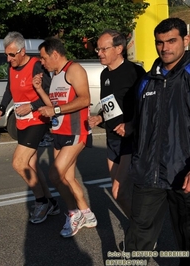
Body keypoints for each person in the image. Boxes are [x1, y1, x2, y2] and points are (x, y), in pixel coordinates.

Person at [125, 18, 190, 265]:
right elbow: (142, 122)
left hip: (183, 174)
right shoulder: (146, 80)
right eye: (160, 43)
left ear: (186, 40)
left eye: (171, 41)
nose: (165, 48)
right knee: (135, 243)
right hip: (148, 175)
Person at [0, 31, 59, 224]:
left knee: (18, 163)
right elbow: (9, 89)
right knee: (31, 165)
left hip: (38, 120)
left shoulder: (36, 65)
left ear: (22, 51)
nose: (8, 58)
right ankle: (51, 202)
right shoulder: (11, 66)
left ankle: (41, 203)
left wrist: (31, 106)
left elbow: (48, 94)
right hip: (22, 121)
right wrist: (1, 108)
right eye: (6, 54)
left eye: (12, 55)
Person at [33, 37, 97, 237]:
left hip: (76, 131)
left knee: (55, 174)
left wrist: (56, 109)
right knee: (67, 177)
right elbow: (54, 108)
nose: (41, 62)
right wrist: (39, 90)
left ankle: (73, 214)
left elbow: (85, 99)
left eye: (43, 58)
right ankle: (87, 213)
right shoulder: (56, 76)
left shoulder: (73, 69)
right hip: (59, 132)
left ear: (55, 54)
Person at [88, 30, 146, 218]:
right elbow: (111, 105)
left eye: (104, 49)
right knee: (123, 194)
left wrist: (131, 124)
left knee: (118, 192)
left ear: (119, 48)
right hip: (112, 139)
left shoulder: (135, 72)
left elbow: (148, 106)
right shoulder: (105, 74)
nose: (99, 53)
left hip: (130, 140)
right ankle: (140, 229)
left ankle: (141, 234)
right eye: (98, 49)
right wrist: (100, 118)